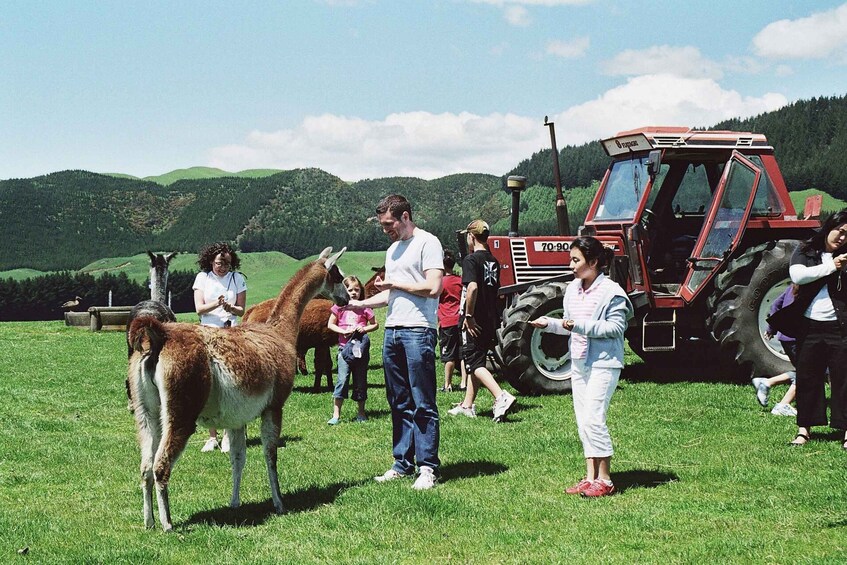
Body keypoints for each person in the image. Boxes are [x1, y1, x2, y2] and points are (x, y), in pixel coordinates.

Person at [348, 194, 444, 490]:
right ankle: (402, 463)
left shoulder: (429, 243)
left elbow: (433, 287)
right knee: (399, 400)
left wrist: (395, 283)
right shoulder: (392, 251)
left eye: (388, 223)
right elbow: (391, 295)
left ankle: (428, 467)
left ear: (404, 217)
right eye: (382, 224)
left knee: (423, 401)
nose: (385, 229)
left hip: (418, 330)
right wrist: (360, 305)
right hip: (392, 330)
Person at [529, 236, 633, 497]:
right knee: (582, 420)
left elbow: (617, 328)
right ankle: (590, 478)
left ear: (594, 262)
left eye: (576, 260)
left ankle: (605, 480)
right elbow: (568, 325)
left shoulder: (612, 293)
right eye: (570, 259)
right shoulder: (573, 290)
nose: (571, 265)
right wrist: (549, 324)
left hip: (603, 364)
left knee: (594, 418)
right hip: (579, 362)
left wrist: (579, 325)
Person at [781, 210, 847, 447]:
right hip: (808, 325)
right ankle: (804, 430)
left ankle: (846, 430)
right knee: (808, 377)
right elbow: (797, 276)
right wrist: (832, 267)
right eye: (840, 232)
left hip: (840, 327)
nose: (842, 239)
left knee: (843, 379)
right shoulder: (806, 251)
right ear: (830, 227)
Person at [447, 220, 516, 422]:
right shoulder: (493, 261)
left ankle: (500, 396)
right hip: (489, 318)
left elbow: (473, 288)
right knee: (477, 360)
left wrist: (468, 316)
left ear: (471, 236)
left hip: (474, 319)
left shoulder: (470, 260)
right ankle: (467, 405)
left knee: (473, 362)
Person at [193, 241, 247, 453]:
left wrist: (230, 307)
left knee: (230, 383)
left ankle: (227, 434)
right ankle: (211, 436)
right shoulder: (202, 278)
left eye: (226, 264)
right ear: (210, 261)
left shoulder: (238, 279)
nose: (222, 267)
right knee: (209, 384)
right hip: (208, 333)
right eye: (218, 263)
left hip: (231, 332)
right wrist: (217, 304)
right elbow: (199, 309)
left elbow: (241, 311)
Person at [326, 275, 378, 425]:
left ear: (361, 290)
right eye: (349, 289)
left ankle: (361, 412)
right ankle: (336, 414)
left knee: (360, 380)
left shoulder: (364, 307)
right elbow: (331, 324)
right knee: (342, 380)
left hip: (360, 349)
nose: (353, 292)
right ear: (344, 291)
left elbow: (375, 324)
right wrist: (342, 331)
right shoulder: (339, 307)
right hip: (344, 349)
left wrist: (364, 328)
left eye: (356, 289)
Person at [754, 284, 799, 416]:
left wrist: (771, 329)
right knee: (810, 372)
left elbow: (775, 305)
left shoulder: (791, 287)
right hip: (796, 339)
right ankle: (783, 404)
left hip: (785, 339)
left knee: (808, 370)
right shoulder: (808, 289)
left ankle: (766, 382)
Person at [438, 250, 467, 392]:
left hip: (447, 321)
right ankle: (463, 383)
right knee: (462, 353)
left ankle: (447, 384)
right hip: (460, 320)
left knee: (448, 354)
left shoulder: (441, 283)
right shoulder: (460, 281)